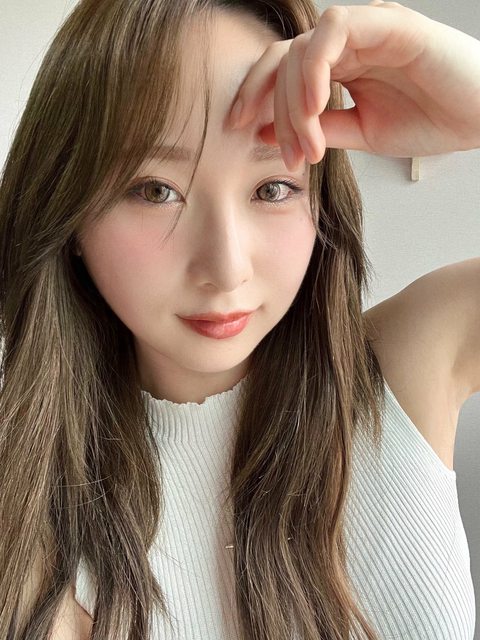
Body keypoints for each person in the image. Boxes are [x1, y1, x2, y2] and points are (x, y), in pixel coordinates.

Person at [0, 0, 478, 638]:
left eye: (273, 187)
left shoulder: (414, 356)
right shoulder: (25, 506)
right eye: (156, 190)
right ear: (70, 212)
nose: (226, 269)